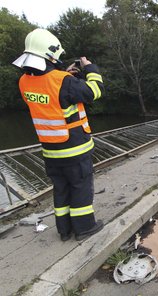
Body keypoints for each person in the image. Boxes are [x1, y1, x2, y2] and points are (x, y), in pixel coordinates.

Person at [12, 28, 105, 241]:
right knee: (81, 187)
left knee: (61, 189)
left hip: (50, 151)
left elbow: (50, 89)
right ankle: (84, 228)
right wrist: (90, 68)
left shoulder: (24, 82)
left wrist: (66, 73)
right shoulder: (64, 81)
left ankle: (64, 231)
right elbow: (94, 91)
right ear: (50, 54)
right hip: (74, 149)